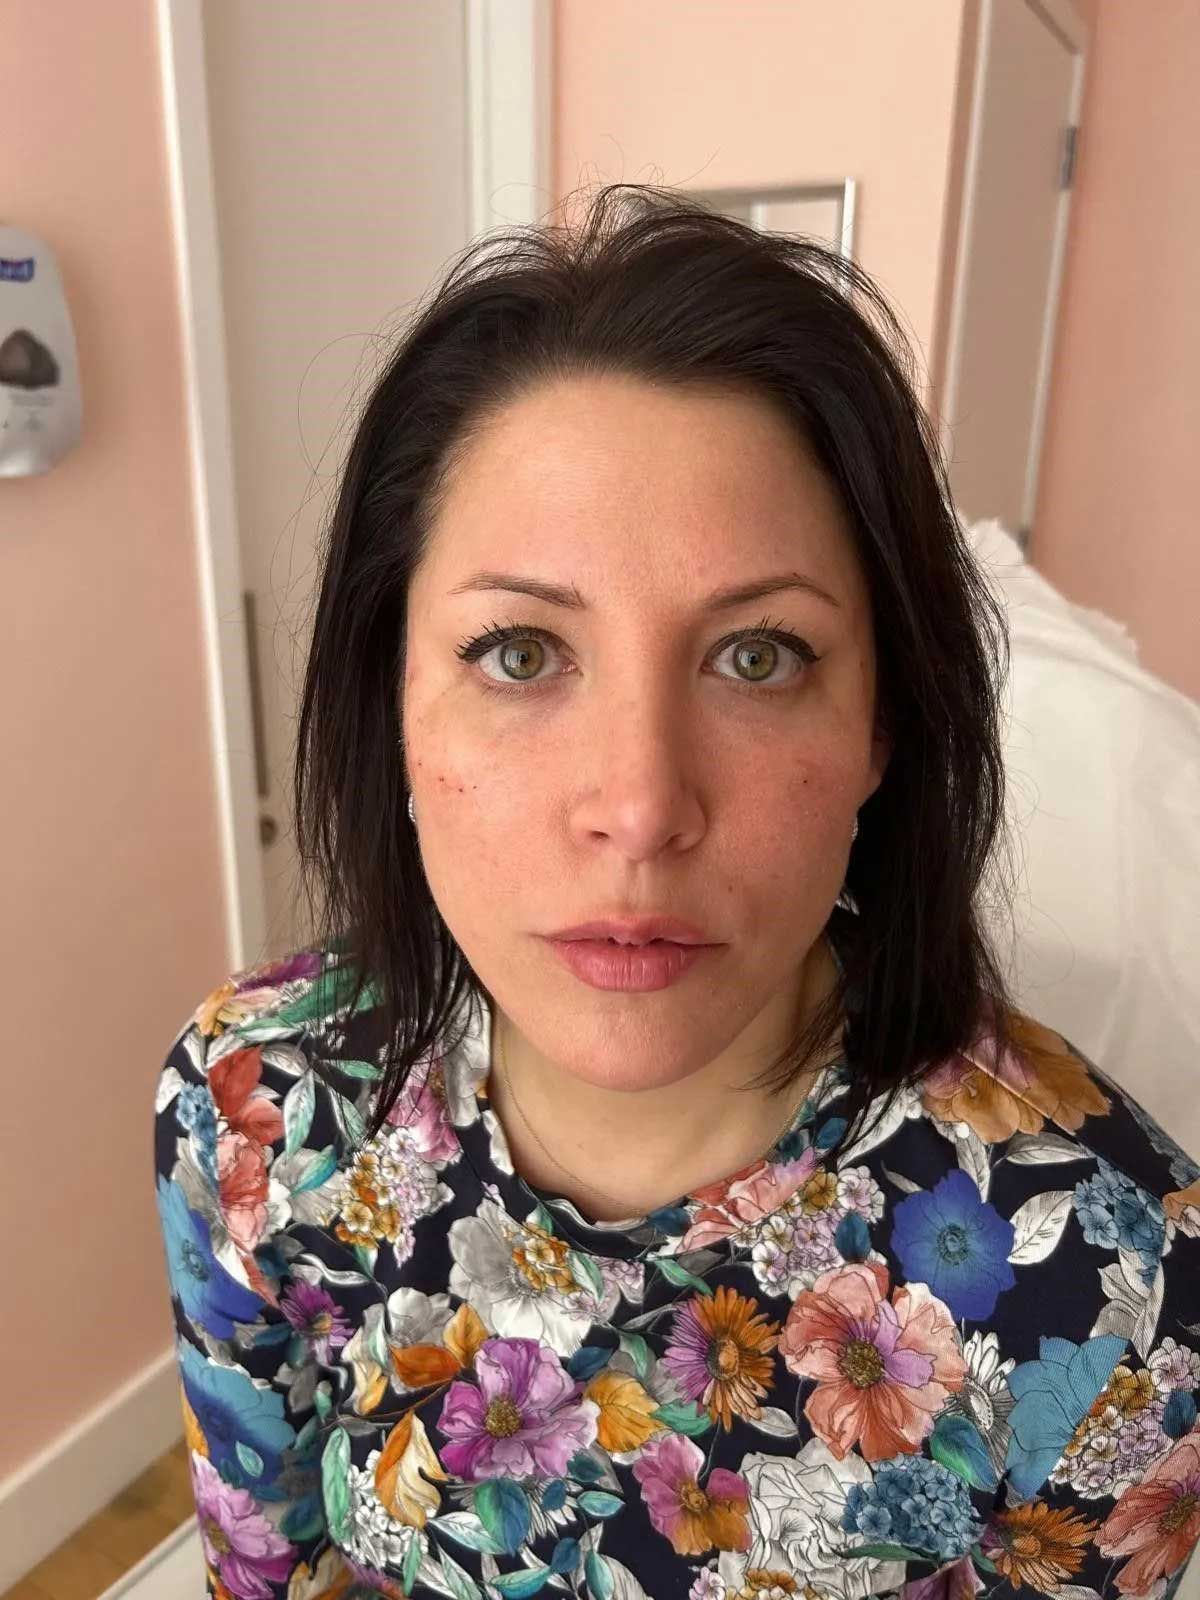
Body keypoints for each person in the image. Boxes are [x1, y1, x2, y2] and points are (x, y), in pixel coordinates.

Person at [153, 184, 1200, 1600]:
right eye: (520, 652)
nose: (641, 808)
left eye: (758, 656)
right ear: (389, 703)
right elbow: (263, 1571)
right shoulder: (254, 1113)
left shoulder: (1113, 1279)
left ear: (885, 729)